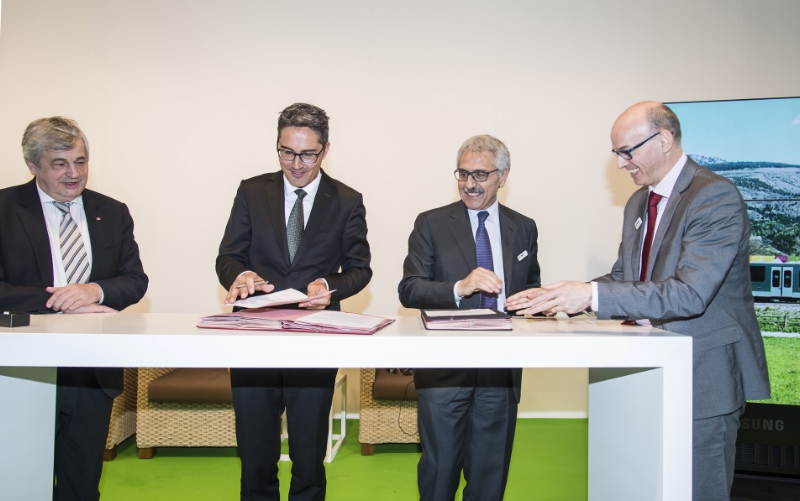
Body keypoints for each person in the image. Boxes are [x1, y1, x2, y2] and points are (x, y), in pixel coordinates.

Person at [506, 101, 770, 500]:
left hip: (702, 377)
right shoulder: (638, 202)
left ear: (664, 140)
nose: (619, 164)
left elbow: (690, 293)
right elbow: (626, 278)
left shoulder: (715, 196)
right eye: (616, 153)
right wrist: (561, 296)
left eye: (626, 151)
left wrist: (589, 294)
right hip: (645, 371)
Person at [216, 102, 372, 501]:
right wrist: (239, 275)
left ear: (326, 149)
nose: (296, 164)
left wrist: (328, 285)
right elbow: (228, 256)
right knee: (255, 456)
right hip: (254, 338)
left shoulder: (346, 199)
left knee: (308, 457)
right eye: (287, 152)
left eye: (308, 154)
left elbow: (359, 269)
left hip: (314, 339)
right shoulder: (252, 191)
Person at [0, 117, 149, 501]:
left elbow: (135, 280)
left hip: (91, 373)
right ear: (32, 165)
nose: (74, 173)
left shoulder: (112, 211)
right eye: (59, 164)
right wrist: (60, 301)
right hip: (22, 371)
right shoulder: (3, 209)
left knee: (81, 487)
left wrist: (93, 290)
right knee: (20, 484)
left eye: (80, 161)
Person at [398, 134, 541, 501]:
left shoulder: (524, 227)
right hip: (444, 373)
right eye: (463, 174)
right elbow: (409, 289)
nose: (469, 183)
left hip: (501, 372)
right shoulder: (431, 223)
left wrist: (540, 302)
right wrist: (460, 287)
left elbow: (530, 287)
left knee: (489, 480)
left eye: (480, 174)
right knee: (439, 474)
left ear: (503, 176)